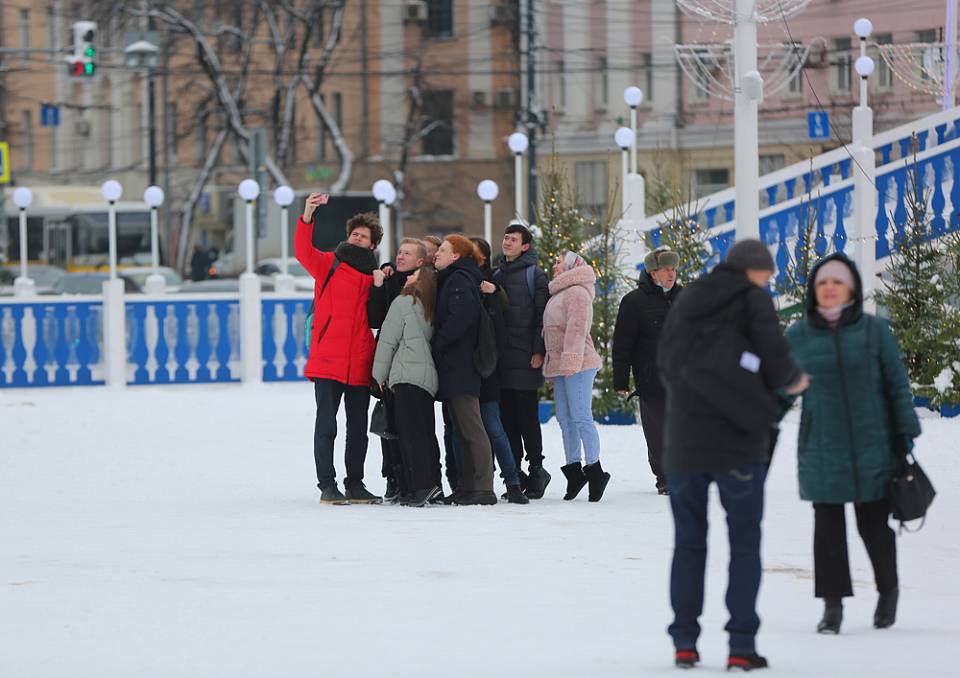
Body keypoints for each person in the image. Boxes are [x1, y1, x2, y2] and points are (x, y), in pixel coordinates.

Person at [657, 239, 809, 671]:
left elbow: (665, 363)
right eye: (768, 274)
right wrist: (792, 384)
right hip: (739, 442)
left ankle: (684, 642)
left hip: (685, 441)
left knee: (689, 543)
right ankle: (741, 645)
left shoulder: (687, 302)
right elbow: (778, 364)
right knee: (744, 544)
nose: (769, 281)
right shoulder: (752, 299)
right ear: (754, 271)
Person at [785, 253, 921, 634]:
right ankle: (833, 607)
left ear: (851, 289)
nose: (829, 288)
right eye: (823, 282)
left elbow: (896, 383)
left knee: (873, 525)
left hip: (872, 443)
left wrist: (905, 431)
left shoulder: (875, 331)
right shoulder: (799, 335)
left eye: (837, 282)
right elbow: (780, 387)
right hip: (821, 445)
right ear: (815, 290)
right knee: (827, 528)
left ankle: (887, 591)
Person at [296, 193, 386, 505]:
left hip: (360, 360)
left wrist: (378, 285)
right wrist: (308, 214)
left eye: (364, 236)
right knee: (327, 426)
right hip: (328, 360)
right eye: (354, 234)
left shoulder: (374, 277)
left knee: (358, 429)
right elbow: (302, 250)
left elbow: (376, 317)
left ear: (373, 245)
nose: (357, 238)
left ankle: (355, 483)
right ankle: (327, 485)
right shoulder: (327, 265)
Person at [612, 246, 683, 495]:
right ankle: (664, 476)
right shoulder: (634, 302)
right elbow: (622, 344)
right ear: (653, 273)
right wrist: (621, 381)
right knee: (658, 429)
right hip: (651, 377)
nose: (671, 274)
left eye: (673, 268)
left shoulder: (685, 297)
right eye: (665, 269)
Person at [433, 235, 497, 506]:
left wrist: (438, 342)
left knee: (471, 427)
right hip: (457, 364)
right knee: (462, 429)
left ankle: (483, 486)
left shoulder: (459, 280)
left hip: (460, 365)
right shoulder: (457, 277)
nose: (437, 254)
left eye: (443, 250)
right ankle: (469, 486)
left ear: (456, 255)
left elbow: (461, 319)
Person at [372, 266, 444, 507]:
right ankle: (432, 483)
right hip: (427, 379)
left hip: (405, 375)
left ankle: (419, 487)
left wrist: (377, 376)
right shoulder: (431, 306)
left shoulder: (403, 302)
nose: (408, 277)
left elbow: (387, 342)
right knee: (424, 433)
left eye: (413, 275)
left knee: (409, 435)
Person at [543, 252, 608, 502]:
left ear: (571, 266)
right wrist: (553, 366)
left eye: (559, 261)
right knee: (564, 418)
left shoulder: (578, 292)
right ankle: (574, 471)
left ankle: (595, 469)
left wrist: (570, 360)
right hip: (561, 365)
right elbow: (550, 334)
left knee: (581, 416)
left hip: (579, 362)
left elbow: (577, 328)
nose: (555, 265)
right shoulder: (558, 294)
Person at [368, 238, 428, 502]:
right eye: (400, 252)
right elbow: (375, 318)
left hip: (412, 363)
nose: (401, 256)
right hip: (389, 358)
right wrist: (379, 285)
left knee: (411, 426)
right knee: (387, 424)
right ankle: (392, 477)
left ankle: (411, 479)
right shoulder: (391, 280)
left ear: (420, 261)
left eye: (407, 253)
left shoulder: (425, 286)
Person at [471, 236, 529, 505]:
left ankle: (513, 480)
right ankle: (475, 480)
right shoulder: (456, 281)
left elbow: (500, 329)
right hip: (467, 369)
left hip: (488, 369)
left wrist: (492, 294)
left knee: (494, 426)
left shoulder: (491, 288)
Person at [495, 221, 551, 498]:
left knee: (527, 417)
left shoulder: (535, 275)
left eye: (513, 239)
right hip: (502, 360)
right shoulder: (497, 274)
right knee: (507, 419)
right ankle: (515, 472)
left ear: (525, 246)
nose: (507, 242)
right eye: (506, 238)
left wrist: (539, 350)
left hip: (526, 357)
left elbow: (543, 317)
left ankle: (537, 469)